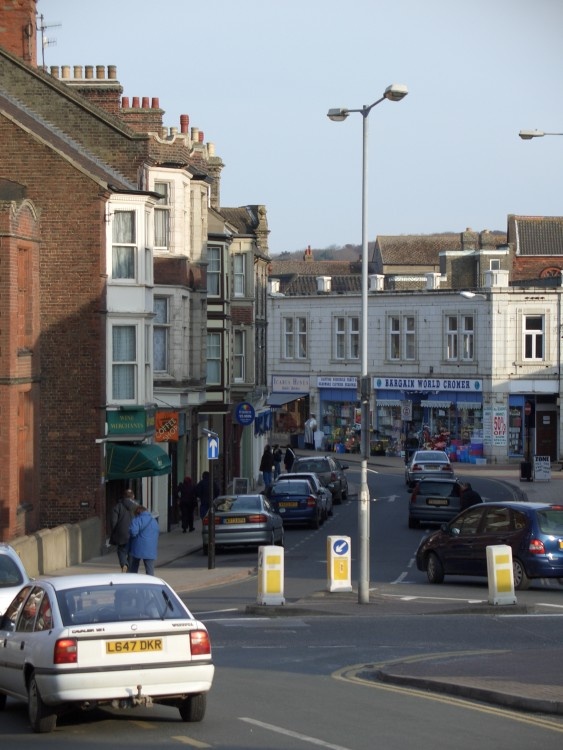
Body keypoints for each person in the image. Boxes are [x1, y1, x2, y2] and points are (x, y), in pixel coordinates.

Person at [109, 488, 138, 572]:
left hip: (121, 533)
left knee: (121, 550)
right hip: (133, 533)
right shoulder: (136, 506)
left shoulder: (117, 506)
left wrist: (115, 532)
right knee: (131, 552)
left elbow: (113, 521)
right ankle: (129, 569)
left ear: (124, 496)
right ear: (133, 496)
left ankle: (124, 564)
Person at [128, 504, 160, 576]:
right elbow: (157, 531)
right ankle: (150, 583)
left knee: (133, 567)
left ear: (137, 513)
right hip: (151, 547)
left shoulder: (137, 520)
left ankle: (132, 581)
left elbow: (133, 532)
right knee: (149, 569)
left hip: (138, 546)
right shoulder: (154, 520)